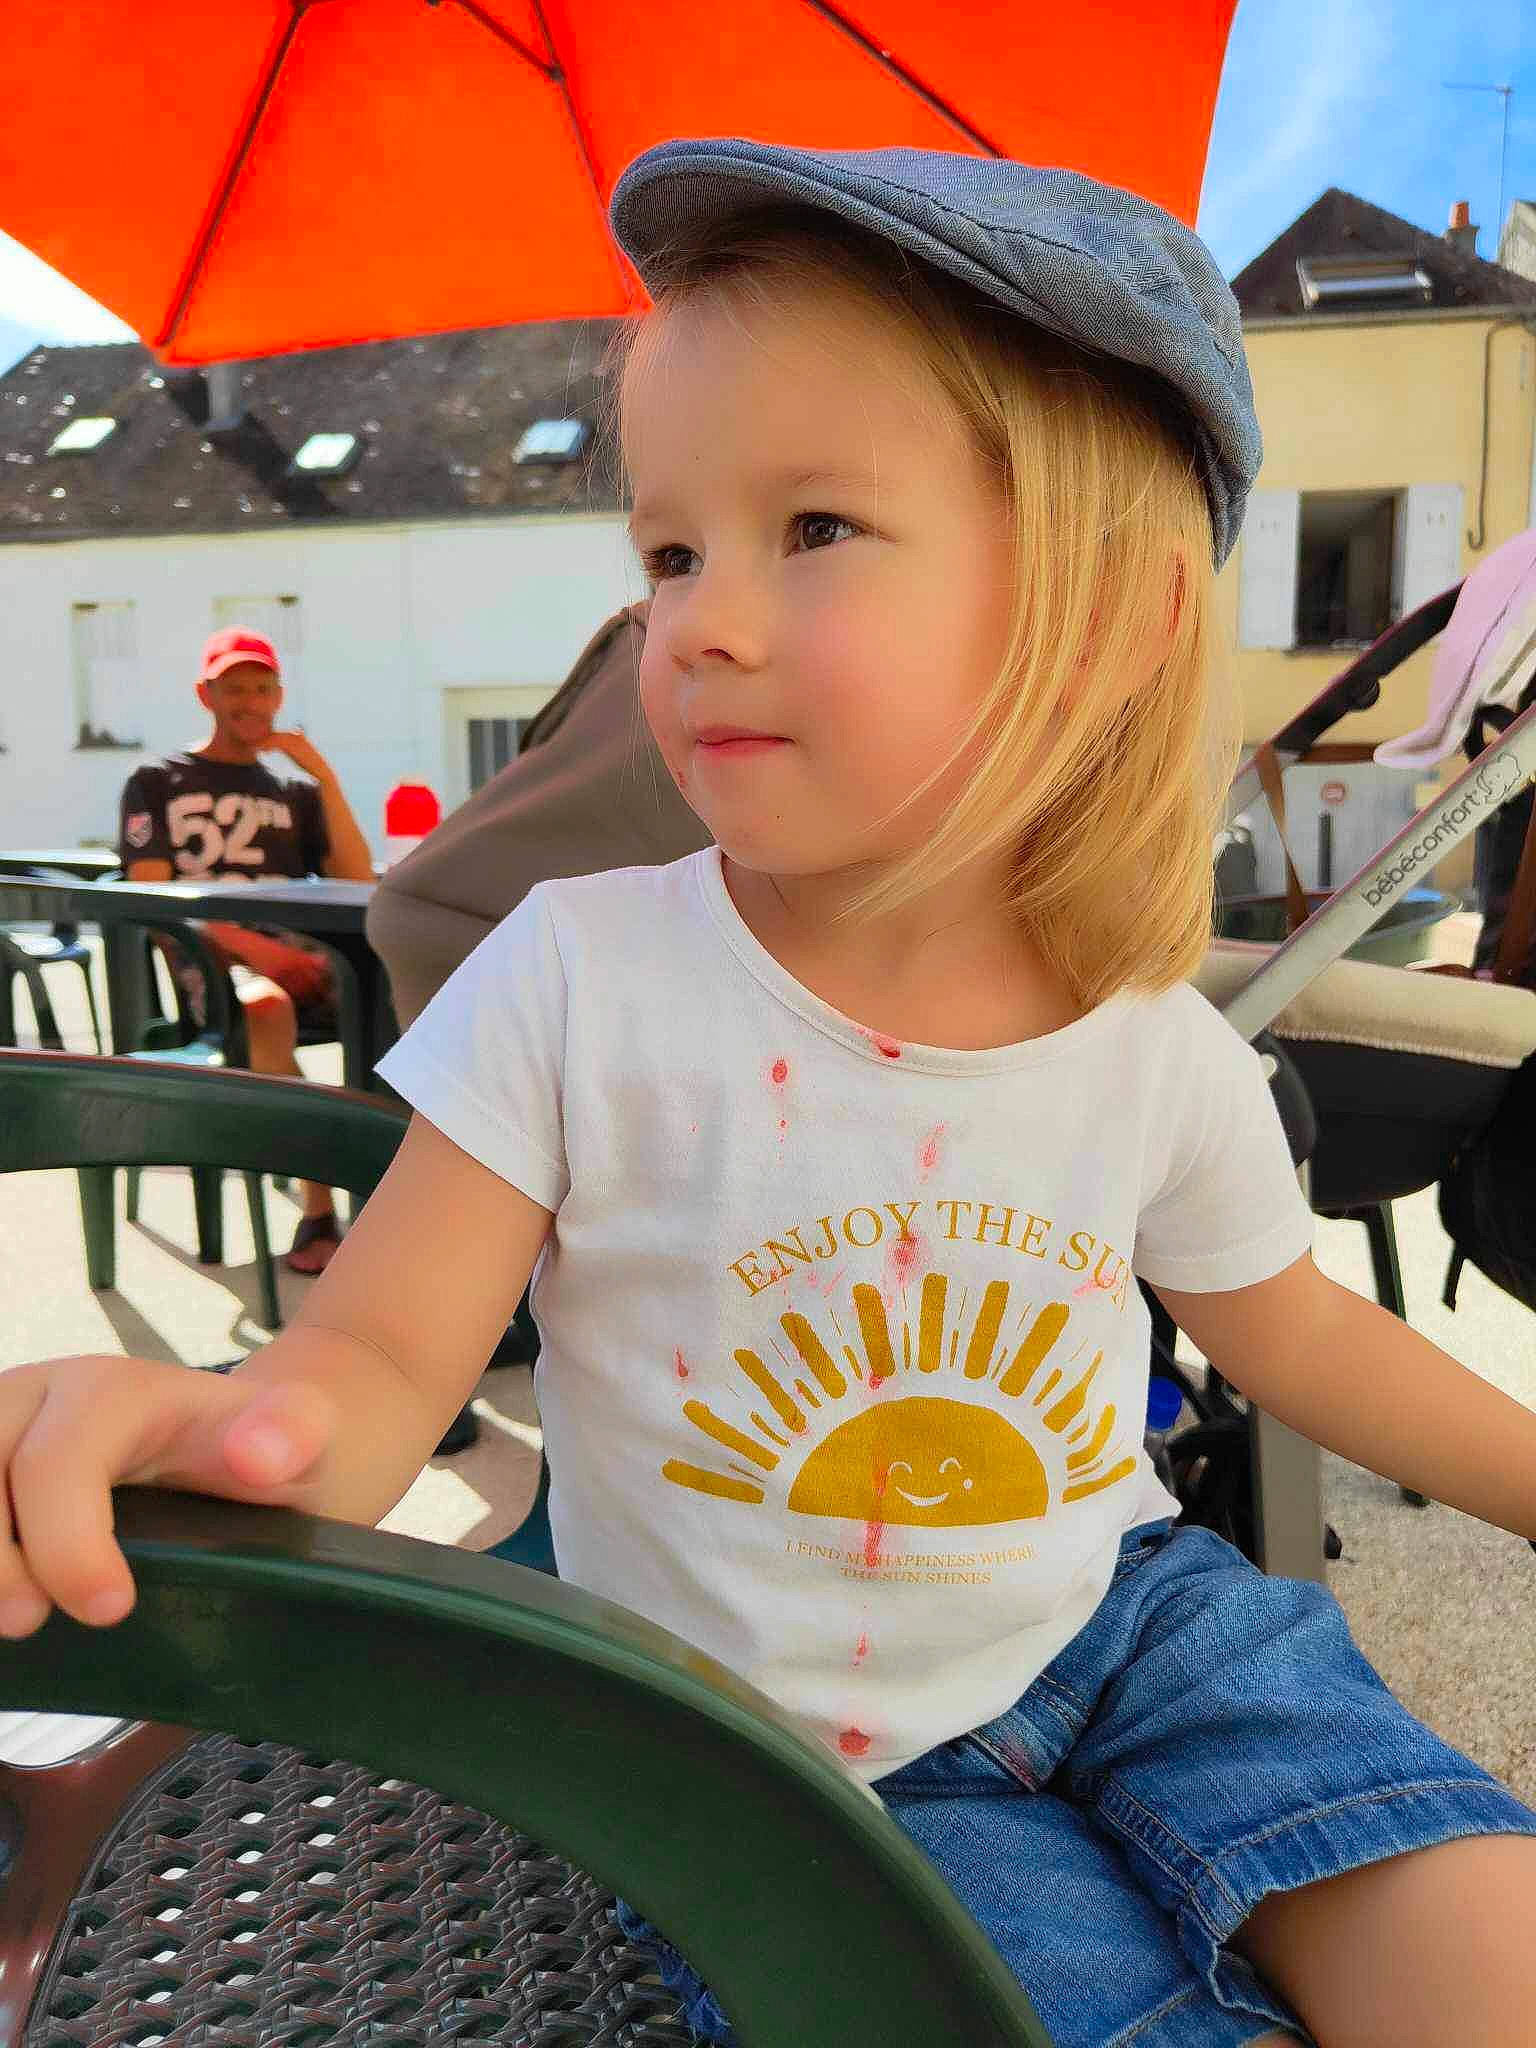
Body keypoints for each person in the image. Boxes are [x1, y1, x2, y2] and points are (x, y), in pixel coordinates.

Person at [14, 140, 1536, 2048]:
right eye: (668, 551)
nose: (697, 620)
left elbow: (1296, 1328)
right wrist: (227, 1427)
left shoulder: (1140, 1030)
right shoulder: (582, 975)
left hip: (1140, 1616)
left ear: (1113, 621)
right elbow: (377, 1362)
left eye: (811, 527)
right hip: (789, 1745)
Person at [117, 626, 376, 1273]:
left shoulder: (293, 793)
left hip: (302, 954)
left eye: (263, 689)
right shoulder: (156, 779)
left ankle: (395, 1208)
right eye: (235, 688)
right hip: (213, 960)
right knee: (266, 1008)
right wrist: (252, 951)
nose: (251, 702)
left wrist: (324, 776)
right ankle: (320, 1211)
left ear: (280, 695)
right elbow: (150, 901)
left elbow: (357, 880)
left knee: (414, 1001)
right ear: (206, 694)